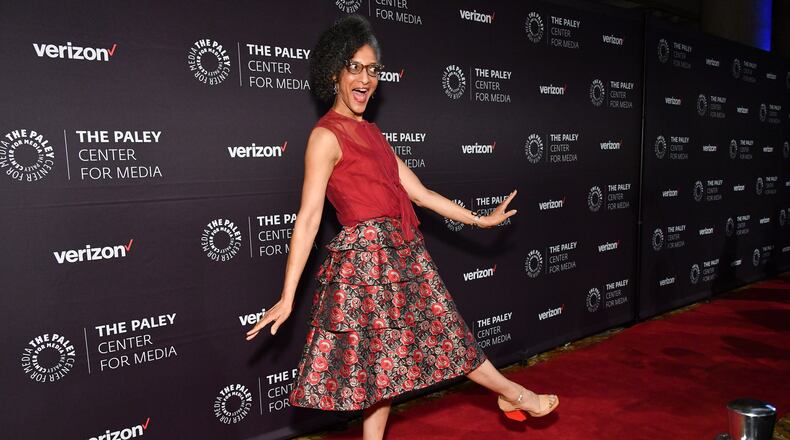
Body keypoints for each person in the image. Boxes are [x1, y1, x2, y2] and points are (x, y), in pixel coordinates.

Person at [246, 15, 558, 439]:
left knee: (387, 366)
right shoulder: (325, 137)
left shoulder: (373, 134)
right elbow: (309, 218)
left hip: (403, 255)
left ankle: (510, 395)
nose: (365, 79)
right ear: (334, 73)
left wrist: (480, 218)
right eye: (354, 67)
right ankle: (514, 394)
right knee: (434, 340)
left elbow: (421, 194)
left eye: (372, 70)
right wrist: (287, 297)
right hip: (367, 265)